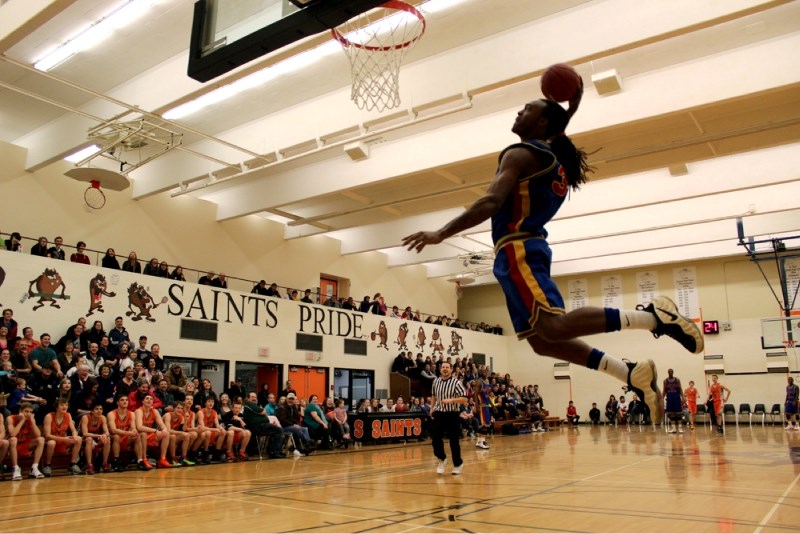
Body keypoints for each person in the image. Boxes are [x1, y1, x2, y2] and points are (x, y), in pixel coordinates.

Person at [401, 90, 704, 425]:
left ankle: (654, 318)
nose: (519, 111)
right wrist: (566, 114)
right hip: (517, 250)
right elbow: (552, 136)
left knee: (554, 326)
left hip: (519, 247)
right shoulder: (551, 159)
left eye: (527, 108)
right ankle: (630, 373)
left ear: (542, 122)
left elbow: (491, 202)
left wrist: (440, 233)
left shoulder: (521, 154)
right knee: (542, 343)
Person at [430, 361, 467, 475]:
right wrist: (431, 408)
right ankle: (442, 458)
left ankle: (458, 464)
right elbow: (433, 396)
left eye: (447, 367)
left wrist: (451, 400)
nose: (445, 369)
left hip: (452, 413)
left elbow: (464, 399)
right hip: (439, 413)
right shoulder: (436, 381)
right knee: (435, 438)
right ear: (440, 369)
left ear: (451, 370)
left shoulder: (456, 382)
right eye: (443, 367)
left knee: (453, 441)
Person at [43, 399, 83, 475]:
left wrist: (74, 436)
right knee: (51, 443)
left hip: (63, 441)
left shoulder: (68, 415)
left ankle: (72, 464)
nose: (65, 407)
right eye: (62, 405)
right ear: (56, 407)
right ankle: (47, 465)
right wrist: (64, 439)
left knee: (79, 439)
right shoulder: (49, 416)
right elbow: (47, 435)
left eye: (66, 405)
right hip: (52, 440)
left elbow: (74, 431)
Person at [7, 402, 46, 479]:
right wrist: (22, 421)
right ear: (20, 411)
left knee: (41, 440)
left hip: (25, 444)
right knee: (13, 439)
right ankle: (15, 468)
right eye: (26, 411)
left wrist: (33, 422)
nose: (28, 414)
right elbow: (13, 434)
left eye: (31, 412)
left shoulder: (30, 420)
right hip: (12, 445)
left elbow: (38, 435)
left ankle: (34, 468)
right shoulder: (11, 418)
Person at [243, 392, 285, 459]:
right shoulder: (250, 404)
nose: (254, 398)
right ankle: (275, 452)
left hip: (261, 425)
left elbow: (262, 412)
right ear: (248, 398)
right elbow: (263, 412)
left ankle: (274, 451)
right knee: (279, 430)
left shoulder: (253, 405)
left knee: (276, 431)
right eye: (252, 397)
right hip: (257, 427)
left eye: (255, 397)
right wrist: (262, 411)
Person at [108, 395, 142, 472]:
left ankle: (140, 461)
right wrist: (128, 433)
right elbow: (113, 430)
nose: (125, 401)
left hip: (125, 437)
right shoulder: (111, 414)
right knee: (116, 436)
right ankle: (116, 461)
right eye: (122, 400)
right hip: (113, 438)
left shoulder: (132, 414)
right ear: (117, 403)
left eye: (126, 400)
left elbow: (133, 427)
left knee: (137, 436)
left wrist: (134, 431)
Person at [81, 403, 112, 474]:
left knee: (107, 439)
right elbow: (85, 433)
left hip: (95, 439)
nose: (99, 411)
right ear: (92, 411)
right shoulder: (85, 417)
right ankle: (89, 465)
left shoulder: (103, 417)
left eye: (101, 409)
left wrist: (104, 435)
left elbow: (107, 432)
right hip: (83, 439)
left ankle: (105, 464)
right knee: (89, 439)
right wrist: (99, 436)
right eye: (97, 409)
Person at [663, 369, 686, 433]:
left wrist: (683, 397)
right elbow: (664, 390)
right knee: (671, 414)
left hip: (676, 398)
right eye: (669, 372)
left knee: (678, 414)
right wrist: (661, 399)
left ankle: (680, 428)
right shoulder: (665, 381)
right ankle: (673, 428)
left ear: (673, 372)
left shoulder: (677, 380)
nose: (670, 373)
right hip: (669, 399)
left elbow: (680, 389)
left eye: (671, 372)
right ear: (668, 373)